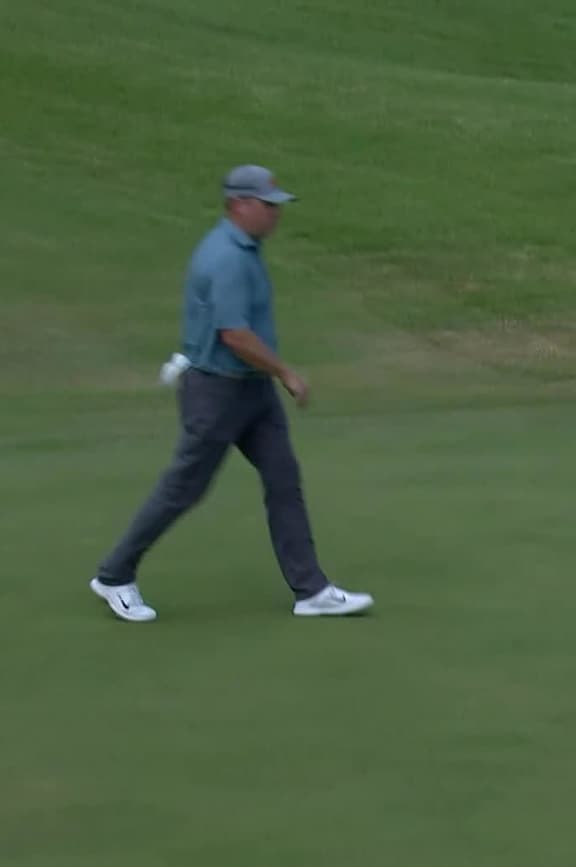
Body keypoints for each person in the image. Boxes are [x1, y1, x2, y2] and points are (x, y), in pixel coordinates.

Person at [88, 164, 373, 622]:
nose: (275, 214)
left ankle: (311, 590)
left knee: (283, 478)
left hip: (251, 390)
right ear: (239, 204)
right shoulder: (227, 258)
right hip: (217, 392)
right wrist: (286, 372)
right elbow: (234, 335)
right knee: (184, 488)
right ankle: (114, 575)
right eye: (267, 205)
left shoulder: (245, 249)